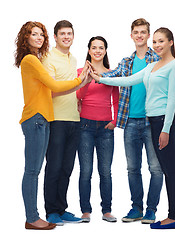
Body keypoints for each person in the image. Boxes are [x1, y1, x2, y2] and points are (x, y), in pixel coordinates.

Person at [91, 27, 175, 229]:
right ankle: (165, 214)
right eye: (156, 42)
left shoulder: (173, 66)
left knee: (169, 171)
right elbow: (127, 80)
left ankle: (174, 217)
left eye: (161, 41)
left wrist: (166, 129)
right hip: (151, 121)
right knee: (159, 169)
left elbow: (171, 101)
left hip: (162, 122)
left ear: (171, 43)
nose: (158, 45)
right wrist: (100, 79)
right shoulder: (153, 66)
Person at [15, 21, 88, 230]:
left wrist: (79, 92)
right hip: (36, 118)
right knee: (33, 171)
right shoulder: (32, 60)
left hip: (43, 118)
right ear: (26, 38)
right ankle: (32, 217)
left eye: (40, 35)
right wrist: (79, 81)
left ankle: (41, 215)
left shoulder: (36, 59)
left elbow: (48, 90)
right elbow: (54, 86)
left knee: (39, 170)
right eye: (33, 34)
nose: (38, 38)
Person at [99, 18, 163, 224]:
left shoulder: (158, 59)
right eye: (136, 32)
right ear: (131, 35)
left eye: (143, 32)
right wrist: (93, 73)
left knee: (155, 168)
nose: (139, 35)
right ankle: (136, 208)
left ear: (148, 35)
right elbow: (113, 75)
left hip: (152, 121)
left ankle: (151, 209)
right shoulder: (127, 62)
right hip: (130, 122)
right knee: (133, 168)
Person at [43, 20, 88, 226]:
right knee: (54, 167)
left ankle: (62, 209)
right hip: (56, 120)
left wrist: (81, 91)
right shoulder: (47, 57)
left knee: (67, 168)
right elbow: (51, 91)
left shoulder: (73, 59)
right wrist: (79, 82)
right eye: (62, 34)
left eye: (69, 33)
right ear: (55, 37)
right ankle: (51, 211)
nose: (66, 37)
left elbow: (73, 89)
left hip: (74, 119)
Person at [77, 36, 119, 222]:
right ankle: (85, 210)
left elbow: (117, 99)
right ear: (89, 50)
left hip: (105, 127)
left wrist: (115, 120)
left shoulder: (111, 74)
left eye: (101, 47)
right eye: (94, 47)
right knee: (86, 170)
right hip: (84, 125)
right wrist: (86, 77)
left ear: (105, 51)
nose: (97, 50)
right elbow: (78, 96)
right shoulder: (80, 71)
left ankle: (107, 210)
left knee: (105, 171)